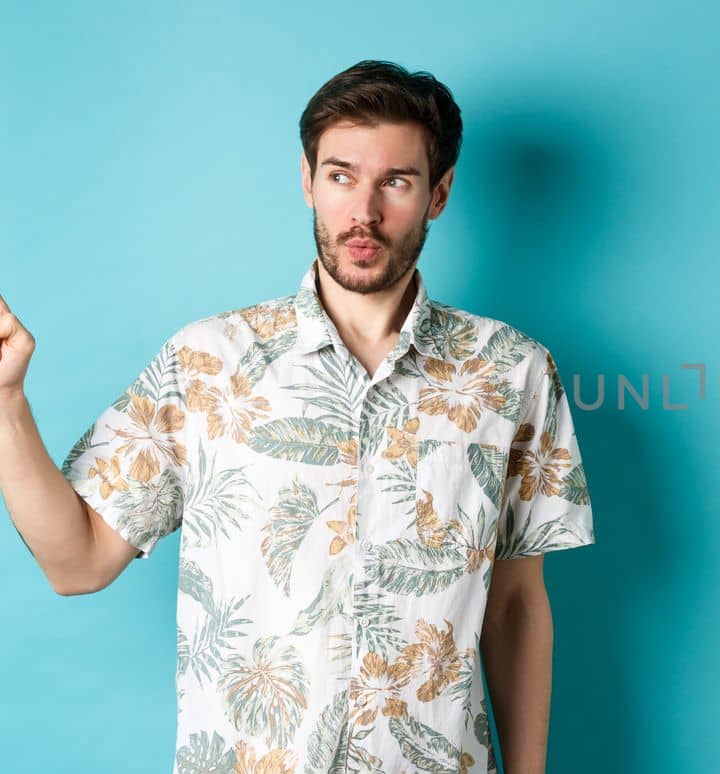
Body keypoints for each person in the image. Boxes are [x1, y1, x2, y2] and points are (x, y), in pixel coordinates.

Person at [0, 60, 595, 773]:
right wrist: (7, 403)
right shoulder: (209, 362)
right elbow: (77, 563)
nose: (363, 213)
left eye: (396, 183)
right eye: (341, 176)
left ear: (439, 194)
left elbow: (515, 608)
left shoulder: (512, 371)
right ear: (307, 180)